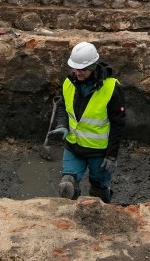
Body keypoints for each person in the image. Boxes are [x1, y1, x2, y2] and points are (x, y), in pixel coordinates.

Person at [47, 41, 126, 203]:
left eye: (82, 69)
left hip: (99, 152)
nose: (77, 72)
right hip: (73, 147)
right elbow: (62, 106)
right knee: (67, 186)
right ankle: (72, 215)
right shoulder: (69, 82)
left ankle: (99, 215)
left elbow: (118, 124)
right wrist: (62, 125)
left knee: (99, 192)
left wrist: (112, 156)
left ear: (93, 66)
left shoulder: (111, 88)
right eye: (75, 68)